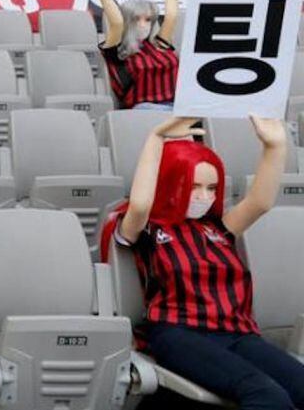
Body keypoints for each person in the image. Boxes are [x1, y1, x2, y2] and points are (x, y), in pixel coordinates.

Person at [101, 115, 304, 409]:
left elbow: (260, 202)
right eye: (194, 186)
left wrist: (275, 147)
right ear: (171, 180)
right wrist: (156, 139)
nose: (204, 197)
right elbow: (142, 203)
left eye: (211, 188)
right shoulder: (148, 228)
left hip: (237, 332)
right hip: (179, 332)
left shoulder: (217, 228)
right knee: (265, 394)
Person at [84, 0, 183, 111]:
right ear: (128, 21)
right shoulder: (118, 52)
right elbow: (116, 22)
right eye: (137, 19)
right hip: (143, 108)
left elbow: (171, 16)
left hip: (177, 106)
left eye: (148, 19)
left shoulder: (159, 45)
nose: (144, 25)